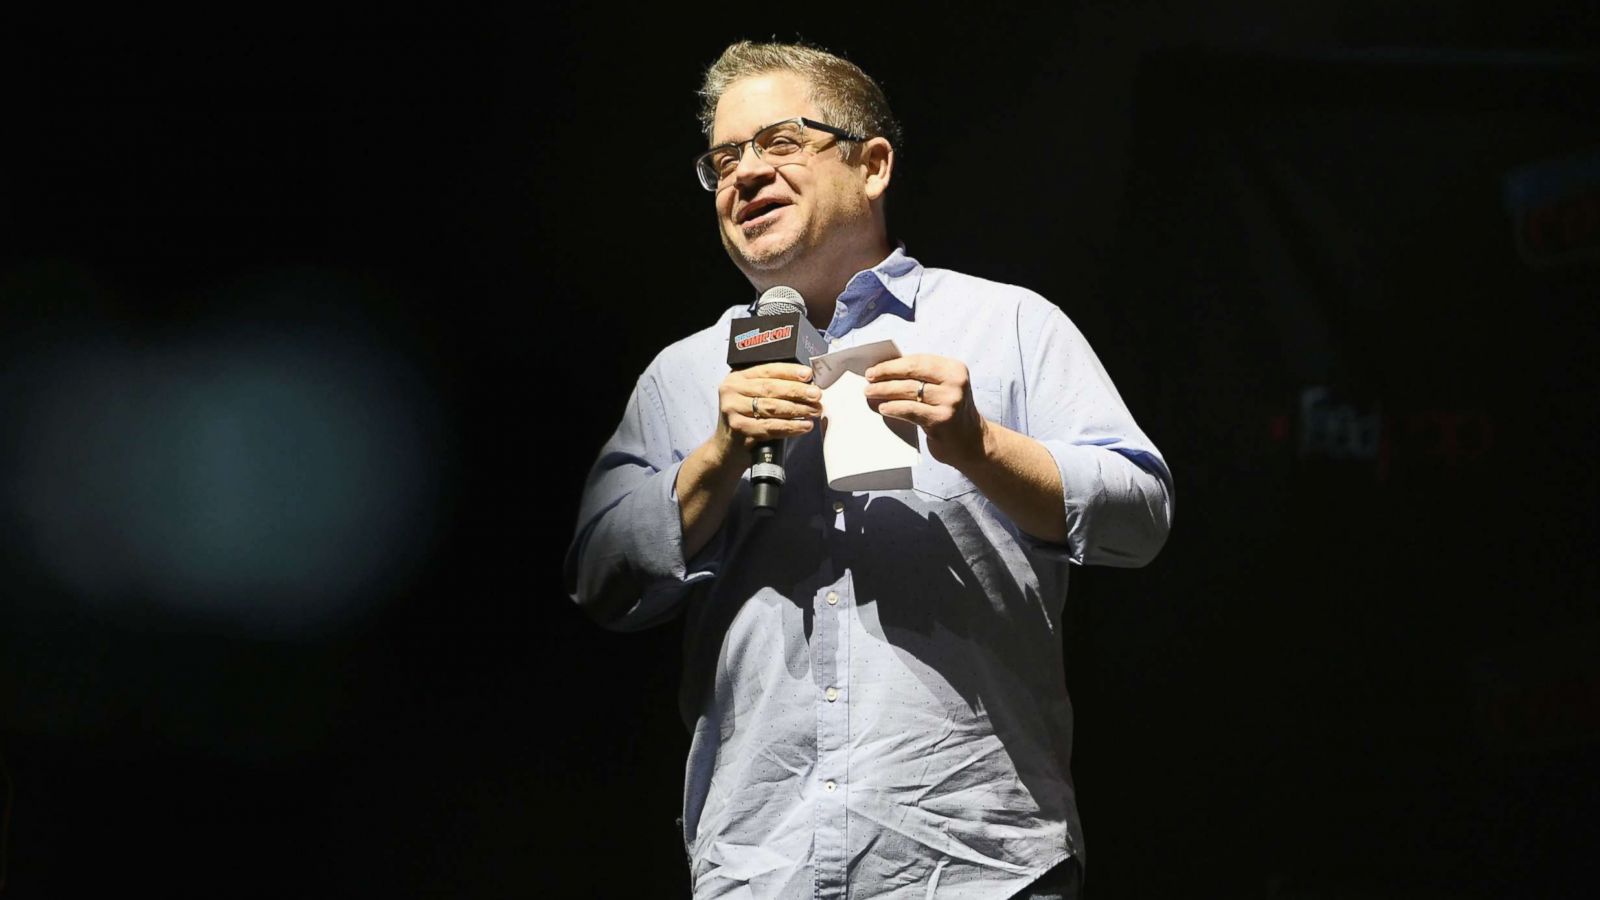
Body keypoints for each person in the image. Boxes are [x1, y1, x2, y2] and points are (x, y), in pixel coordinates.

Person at [564, 40, 1173, 900]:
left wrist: (978, 445)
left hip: (976, 865)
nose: (745, 174)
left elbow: (1140, 518)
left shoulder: (1008, 325)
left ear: (873, 164)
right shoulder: (685, 375)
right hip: (759, 866)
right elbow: (600, 579)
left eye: (779, 141)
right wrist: (716, 460)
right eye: (724, 158)